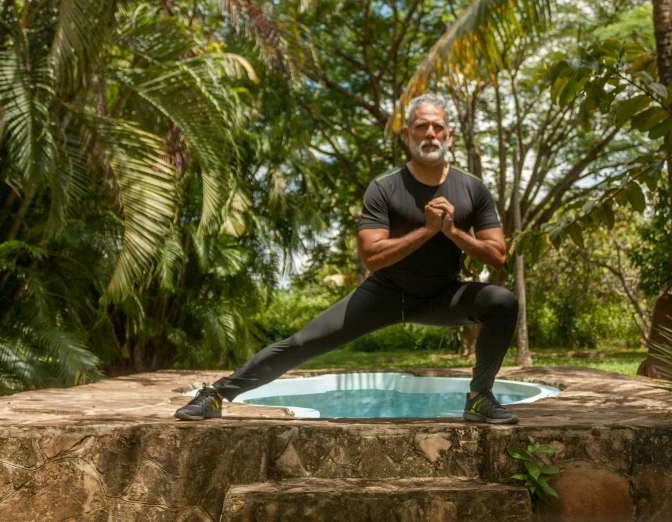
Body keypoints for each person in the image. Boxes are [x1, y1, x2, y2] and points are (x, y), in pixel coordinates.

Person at [175, 93, 519, 424]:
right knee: (302, 343)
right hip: (385, 293)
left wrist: (453, 232)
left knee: (501, 301)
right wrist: (427, 231)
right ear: (406, 135)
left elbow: (498, 256)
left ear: (450, 135)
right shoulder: (385, 187)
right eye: (420, 126)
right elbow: (372, 256)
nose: (430, 133)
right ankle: (216, 395)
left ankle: (479, 398)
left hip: (441, 296)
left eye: (437, 126)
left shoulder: (472, 188)